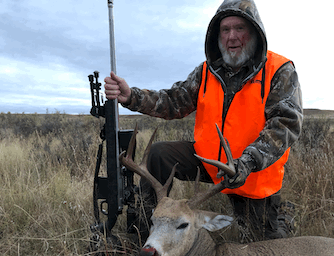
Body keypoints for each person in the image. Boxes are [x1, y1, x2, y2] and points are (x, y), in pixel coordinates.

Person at [104, 0, 303, 242]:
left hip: (252, 175)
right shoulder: (207, 71)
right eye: (225, 29)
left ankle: (281, 216)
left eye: (239, 28)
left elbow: (286, 124)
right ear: (217, 35)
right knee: (158, 155)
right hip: (209, 162)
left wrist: (247, 163)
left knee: (265, 251)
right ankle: (144, 230)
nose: (231, 36)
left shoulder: (279, 70)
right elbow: (174, 101)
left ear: (254, 32)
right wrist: (131, 96)